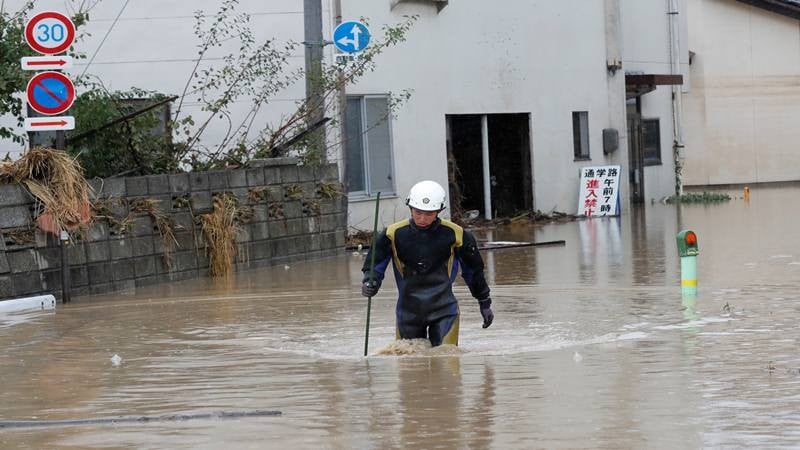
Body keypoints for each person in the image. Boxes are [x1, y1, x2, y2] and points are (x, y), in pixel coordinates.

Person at [361, 180, 494, 347]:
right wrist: (370, 281)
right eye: (418, 212)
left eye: (429, 214)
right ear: (410, 208)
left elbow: (474, 272)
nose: (422, 218)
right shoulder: (391, 234)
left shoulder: (458, 235)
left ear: (439, 211)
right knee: (409, 366)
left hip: (445, 311)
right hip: (407, 313)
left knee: (447, 362)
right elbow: (374, 266)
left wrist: (484, 302)